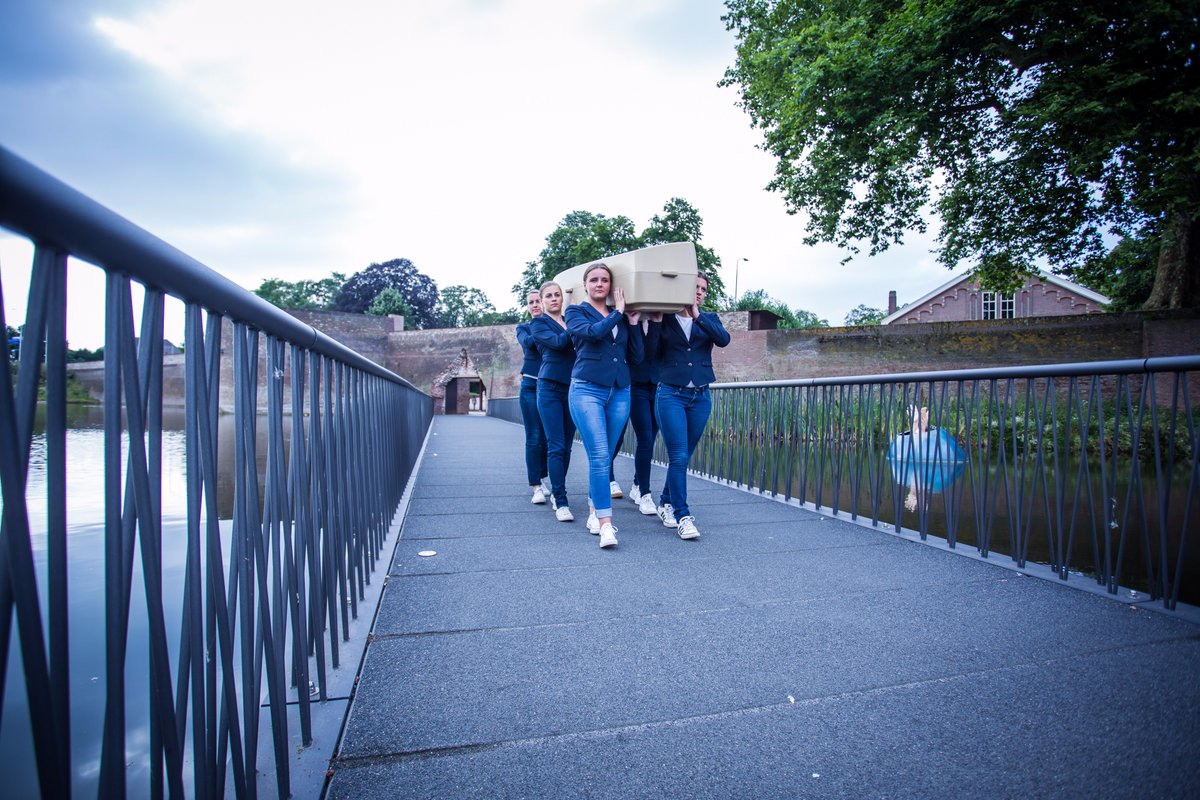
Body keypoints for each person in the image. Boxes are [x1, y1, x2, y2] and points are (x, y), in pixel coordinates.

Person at [645, 274, 729, 539]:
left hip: (701, 397)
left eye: (703, 289)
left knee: (684, 456)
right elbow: (649, 353)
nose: (699, 292)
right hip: (671, 394)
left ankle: (665, 501)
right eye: (695, 287)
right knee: (679, 455)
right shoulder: (664, 318)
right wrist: (656, 324)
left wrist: (698, 316)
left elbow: (724, 340)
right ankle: (683, 515)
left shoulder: (709, 319)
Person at [565, 263, 644, 548]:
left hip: (620, 391)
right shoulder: (574, 312)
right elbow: (593, 334)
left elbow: (635, 356)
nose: (600, 284)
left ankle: (592, 509)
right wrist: (620, 313)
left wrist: (632, 324)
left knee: (605, 456)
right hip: (587, 389)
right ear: (585, 285)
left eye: (605, 280)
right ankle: (606, 524)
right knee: (599, 455)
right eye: (594, 280)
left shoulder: (617, 316)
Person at [531, 282, 577, 521]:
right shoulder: (538, 323)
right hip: (549, 388)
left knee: (567, 446)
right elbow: (559, 344)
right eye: (548, 296)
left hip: (573, 387)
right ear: (542, 300)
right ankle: (560, 500)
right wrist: (575, 324)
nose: (554, 299)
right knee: (556, 444)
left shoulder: (571, 320)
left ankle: (558, 489)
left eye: (557, 295)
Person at [515, 290, 550, 504]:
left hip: (550, 385)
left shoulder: (554, 325)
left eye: (538, 301)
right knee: (534, 436)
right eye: (531, 302)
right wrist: (545, 330)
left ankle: (543, 477)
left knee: (548, 437)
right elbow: (528, 343)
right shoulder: (523, 328)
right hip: (530, 384)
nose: (535, 305)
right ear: (528, 307)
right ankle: (535, 485)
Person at [625, 316, 660, 516]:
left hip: (659, 385)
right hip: (636, 385)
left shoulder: (665, 317)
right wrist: (634, 322)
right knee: (645, 439)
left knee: (651, 439)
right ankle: (645, 494)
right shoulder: (628, 318)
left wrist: (657, 323)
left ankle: (638, 484)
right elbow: (637, 355)